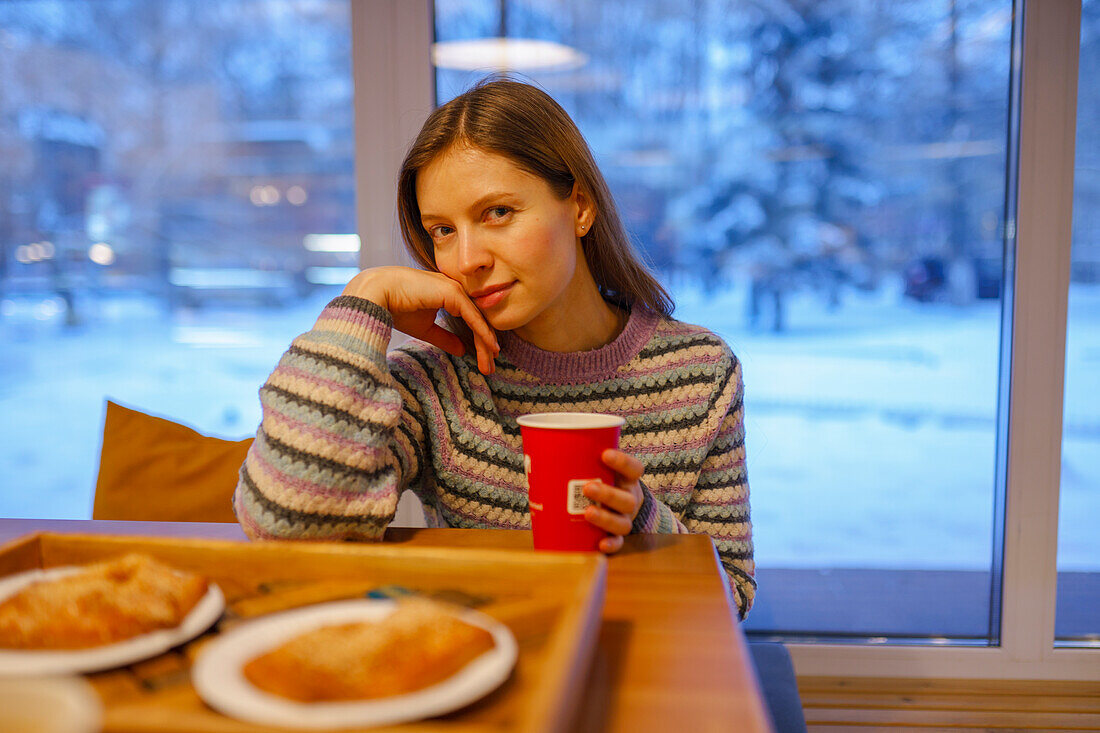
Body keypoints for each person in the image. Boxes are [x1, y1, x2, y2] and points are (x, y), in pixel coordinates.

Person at [233, 78, 756, 618]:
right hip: (483, 670)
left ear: (579, 206)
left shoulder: (702, 373)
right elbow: (284, 526)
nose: (466, 259)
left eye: (497, 213)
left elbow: (732, 596)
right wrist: (363, 301)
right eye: (441, 230)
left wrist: (643, 523)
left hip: (641, 674)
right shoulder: (437, 381)